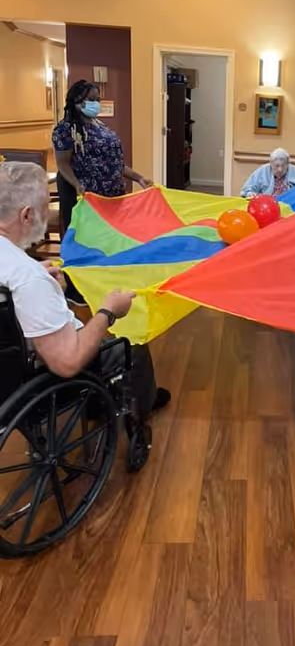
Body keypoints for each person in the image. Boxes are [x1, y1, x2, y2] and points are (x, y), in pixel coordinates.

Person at [0, 161, 169, 416]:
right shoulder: (28, 278)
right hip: (33, 374)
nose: (47, 216)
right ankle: (139, 406)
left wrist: (36, 278)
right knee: (132, 344)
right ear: (26, 215)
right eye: (45, 208)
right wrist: (108, 311)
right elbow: (67, 364)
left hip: (10, 357)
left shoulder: (19, 270)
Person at [53, 80, 153, 234]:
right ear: (77, 101)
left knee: (112, 236)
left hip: (113, 194)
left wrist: (138, 178)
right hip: (89, 196)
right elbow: (63, 164)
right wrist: (77, 185)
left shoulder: (99, 125)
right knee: (90, 239)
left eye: (97, 100)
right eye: (91, 100)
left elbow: (114, 163)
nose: (96, 103)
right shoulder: (65, 129)